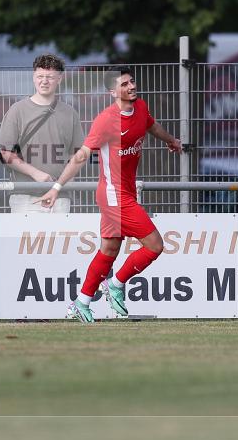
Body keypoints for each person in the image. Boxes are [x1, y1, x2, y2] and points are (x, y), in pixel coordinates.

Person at [37, 67, 182, 321]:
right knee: (155, 245)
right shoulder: (106, 120)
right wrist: (56, 187)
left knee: (109, 249)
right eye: (124, 84)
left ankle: (81, 302)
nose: (131, 86)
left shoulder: (141, 108)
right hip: (114, 196)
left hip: (125, 192)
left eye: (132, 81)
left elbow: (151, 125)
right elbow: (81, 156)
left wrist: (171, 140)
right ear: (113, 92)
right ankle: (115, 283)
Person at [0, 53, 84, 211]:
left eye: (50, 77)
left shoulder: (70, 113)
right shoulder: (17, 111)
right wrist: (35, 173)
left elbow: (77, 156)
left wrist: (63, 185)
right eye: (40, 76)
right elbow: (5, 153)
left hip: (60, 197)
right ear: (33, 77)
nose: (44, 81)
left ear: (60, 79)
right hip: (25, 196)